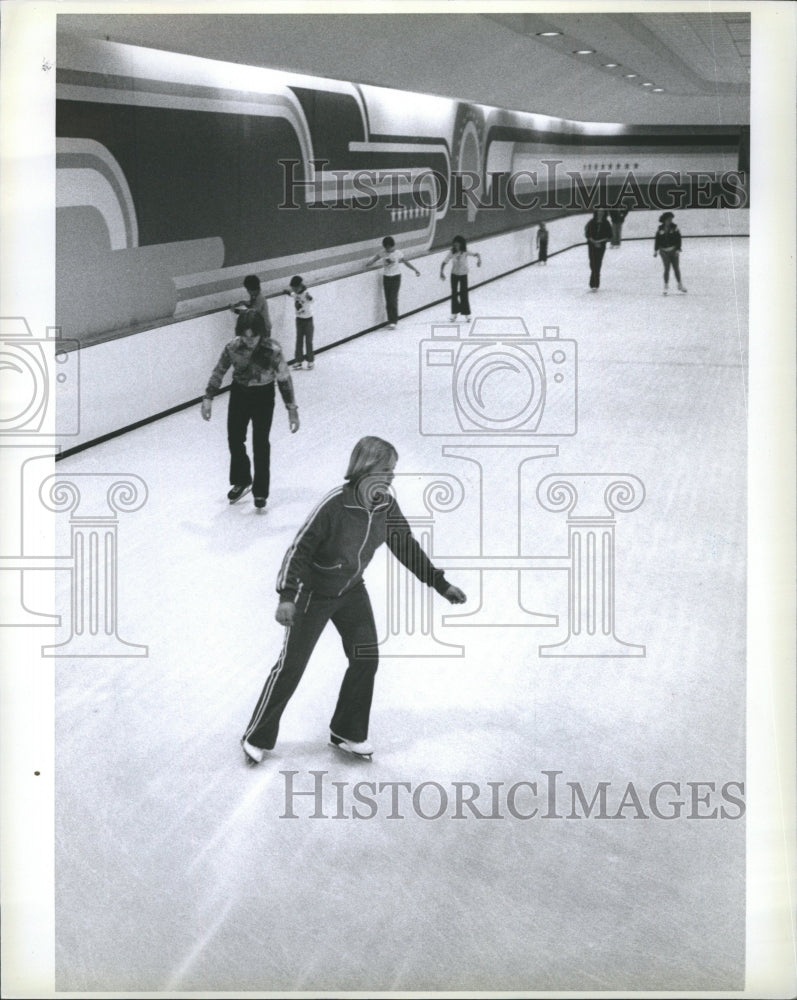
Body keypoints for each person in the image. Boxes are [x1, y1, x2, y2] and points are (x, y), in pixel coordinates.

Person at [240, 436, 467, 763]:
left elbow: (405, 545)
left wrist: (439, 584)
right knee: (292, 666)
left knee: (366, 658)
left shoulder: (386, 505)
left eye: (393, 471)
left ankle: (347, 730)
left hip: (350, 591)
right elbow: (298, 551)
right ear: (366, 468)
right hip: (312, 593)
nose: (391, 477)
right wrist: (287, 596)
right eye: (386, 470)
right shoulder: (335, 504)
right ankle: (256, 735)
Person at [201, 310, 299, 509]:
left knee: (260, 443)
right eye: (245, 337)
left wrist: (291, 408)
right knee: (235, 438)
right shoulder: (233, 347)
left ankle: (260, 492)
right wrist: (208, 397)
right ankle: (242, 479)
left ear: (261, 333)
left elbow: (284, 379)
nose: (249, 341)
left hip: (264, 396)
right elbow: (219, 370)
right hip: (240, 394)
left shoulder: (273, 350)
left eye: (253, 336)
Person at [365, 236, 420, 329]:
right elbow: (374, 259)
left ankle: (394, 320)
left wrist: (415, 269)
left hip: (396, 277)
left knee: (393, 299)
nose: (388, 249)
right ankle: (390, 320)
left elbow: (406, 262)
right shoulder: (382, 253)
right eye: (386, 248)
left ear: (393, 246)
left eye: (389, 247)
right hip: (386, 277)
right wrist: (367, 264)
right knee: (388, 300)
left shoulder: (398, 253)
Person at [440, 235, 481, 321]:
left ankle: (466, 313)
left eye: (458, 245)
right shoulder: (452, 252)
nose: (456, 247)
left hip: (463, 275)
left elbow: (476, 254)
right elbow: (444, 262)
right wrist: (441, 272)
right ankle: (454, 313)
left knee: (464, 293)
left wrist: (479, 260)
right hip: (454, 274)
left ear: (461, 245)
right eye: (455, 245)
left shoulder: (465, 252)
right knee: (454, 294)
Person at [284, 275, 315, 371]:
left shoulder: (305, 293)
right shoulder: (296, 294)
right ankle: (299, 361)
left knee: (308, 341)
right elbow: (292, 295)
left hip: (308, 320)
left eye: (294, 288)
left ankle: (310, 361)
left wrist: (309, 298)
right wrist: (287, 292)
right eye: (292, 288)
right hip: (299, 320)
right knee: (299, 340)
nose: (294, 290)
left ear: (299, 286)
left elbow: (312, 300)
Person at [654, 212, 687, 295]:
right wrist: (655, 250)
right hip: (663, 251)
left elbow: (679, 238)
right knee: (667, 268)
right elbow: (657, 239)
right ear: (664, 220)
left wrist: (678, 249)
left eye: (671, 219)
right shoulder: (660, 228)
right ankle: (666, 286)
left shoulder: (675, 228)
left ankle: (680, 285)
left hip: (673, 250)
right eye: (668, 219)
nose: (670, 221)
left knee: (676, 268)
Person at [584, 209, 612, 291]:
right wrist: (593, 241)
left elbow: (609, 235)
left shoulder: (606, 223)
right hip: (591, 245)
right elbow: (587, 233)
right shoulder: (591, 222)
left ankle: (595, 283)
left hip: (601, 246)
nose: (600, 214)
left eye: (602, 212)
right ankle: (594, 277)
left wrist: (600, 242)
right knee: (592, 263)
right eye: (599, 212)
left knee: (598, 263)